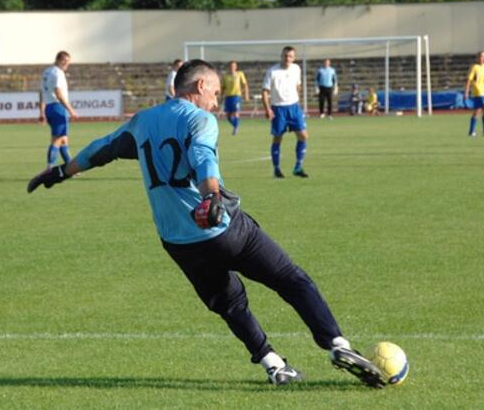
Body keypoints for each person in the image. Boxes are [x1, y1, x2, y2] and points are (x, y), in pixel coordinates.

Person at [27, 59, 386, 389]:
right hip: (221, 228)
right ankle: (337, 344)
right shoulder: (200, 119)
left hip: (178, 241)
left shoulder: (142, 122)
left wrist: (60, 172)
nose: (216, 102)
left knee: (230, 304)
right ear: (199, 86)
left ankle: (274, 365)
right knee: (290, 278)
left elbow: (99, 151)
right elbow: (202, 157)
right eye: (215, 93)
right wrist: (212, 195)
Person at [262, 46, 309, 179]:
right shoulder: (272, 71)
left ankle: (298, 167)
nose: (287, 58)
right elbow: (264, 91)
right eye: (285, 56)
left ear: (293, 58)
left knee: (303, 136)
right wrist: (267, 109)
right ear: (281, 56)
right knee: (278, 138)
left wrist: (297, 100)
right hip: (278, 109)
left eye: (290, 56)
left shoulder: (296, 69)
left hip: (294, 107)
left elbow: (298, 86)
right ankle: (276, 169)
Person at [39, 51, 78, 169]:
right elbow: (59, 93)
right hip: (58, 108)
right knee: (57, 139)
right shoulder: (58, 73)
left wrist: (42, 111)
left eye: (68, 62)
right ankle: (50, 168)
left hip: (50, 108)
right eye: (65, 61)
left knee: (63, 140)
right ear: (58, 60)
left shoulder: (46, 72)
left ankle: (72, 169)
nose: (67, 64)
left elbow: (42, 92)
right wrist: (71, 110)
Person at [221, 60, 250, 135]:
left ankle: (236, 127)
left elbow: (245, 85)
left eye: (234, 66)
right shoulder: (225, 76)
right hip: (228, 97)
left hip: (236, 96)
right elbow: (223, 87)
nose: (232, 67)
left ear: (236, 67)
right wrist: (221, 96)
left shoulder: (240, 74)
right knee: (228, 116)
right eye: (231, 66)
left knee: (236, 113)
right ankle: (235, 125)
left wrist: (246, 95)